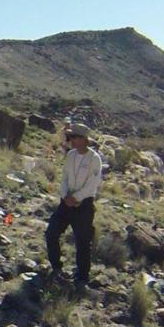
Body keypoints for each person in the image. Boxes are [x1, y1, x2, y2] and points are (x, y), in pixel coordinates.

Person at [44, 121, 104, 292]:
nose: (72, 141)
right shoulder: (70, 156)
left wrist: (77, 198)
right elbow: (64, 178)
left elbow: (93, 184)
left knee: (83, 242)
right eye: (70, 137)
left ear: (84, 139)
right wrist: (65, 196)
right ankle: (56, 267)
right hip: (66, 203)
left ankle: (82, 277)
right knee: (51, 233)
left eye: (75, 137)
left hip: (83, 205)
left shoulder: (94, 159)